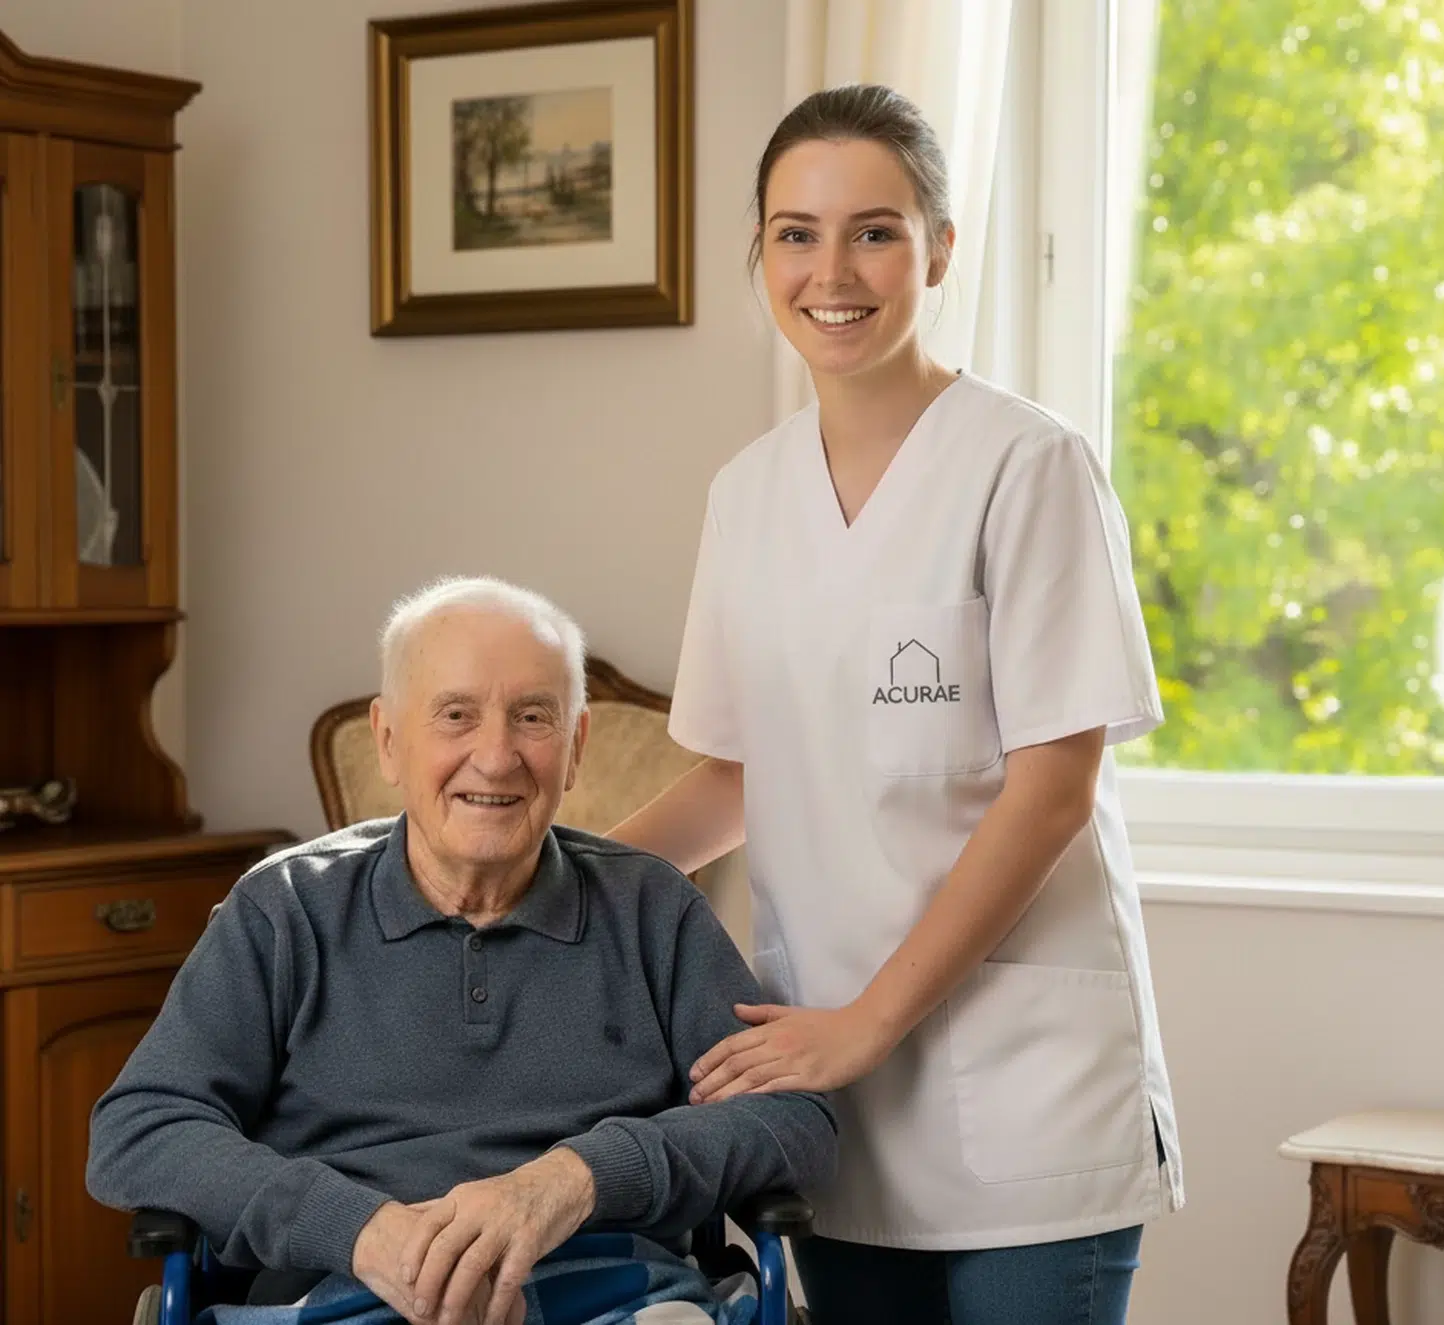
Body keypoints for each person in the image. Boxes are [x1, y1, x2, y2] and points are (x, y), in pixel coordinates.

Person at [608, 85, 1182, 1325]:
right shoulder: (747, 493)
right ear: (759, 253)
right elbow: (732, 774)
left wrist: (867, 1023)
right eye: (795, 233)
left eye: (873, 230)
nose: (833, 270)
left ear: (939, 246)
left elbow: (1053, 785)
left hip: (1020, 1090)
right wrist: (539, 876)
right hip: (832, 1087)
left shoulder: (1027, 466)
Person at [87, 577, 837, 1325]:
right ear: (389, 740)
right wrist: (364, 1231)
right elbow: (140, 1127)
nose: (496, 755)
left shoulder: (652, 910)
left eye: (533, 717)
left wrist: (572, 1180)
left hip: (613, 1290)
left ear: (573, 749)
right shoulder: (285, 910)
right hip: (340, 1293)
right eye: (456, 715)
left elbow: (794, 1117)